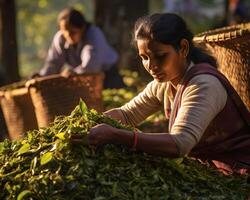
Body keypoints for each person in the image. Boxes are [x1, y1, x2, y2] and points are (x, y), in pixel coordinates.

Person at [71, 13, 250, 175]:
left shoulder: (204, 85)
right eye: (145, 58)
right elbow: (127, 114)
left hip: (235, 173)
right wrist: (90, 122)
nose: (152, 66)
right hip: (207, 170)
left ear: (183, 48)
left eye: (160, 56)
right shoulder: (163, 83)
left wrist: (115, 135)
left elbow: (179, 143)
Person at [36, 7, 125, 89]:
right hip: (81, 78)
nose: (68, 35)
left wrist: (74, 73)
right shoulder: (60, 38)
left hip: (107, 75)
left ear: (82, 28)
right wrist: (41, 76)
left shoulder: (93, 34)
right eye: (64, 31)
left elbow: (91, 65)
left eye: (72, 32)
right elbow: (54, 62)